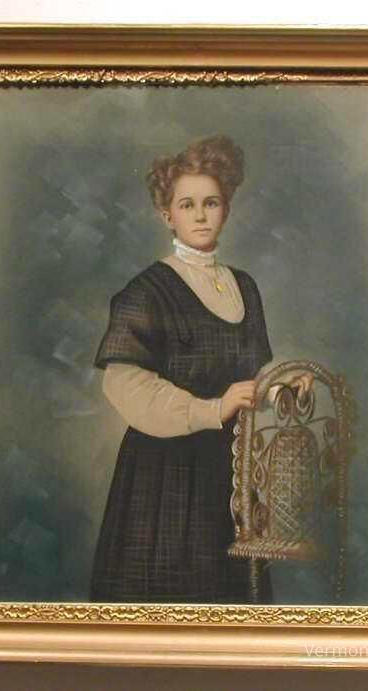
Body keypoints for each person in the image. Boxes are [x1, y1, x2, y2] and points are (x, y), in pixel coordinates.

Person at [90, 135, 313, 603]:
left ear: (226, 209)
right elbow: (125, 383)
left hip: (231, 470)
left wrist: (281, 386)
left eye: (210, 203)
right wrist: (212, 408)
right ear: (166, 214)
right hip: (164, 476)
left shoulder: (244, 286)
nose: (199, 215)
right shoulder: (145, 292)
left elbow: (251, 372)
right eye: (186, 204)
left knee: (232, 600)